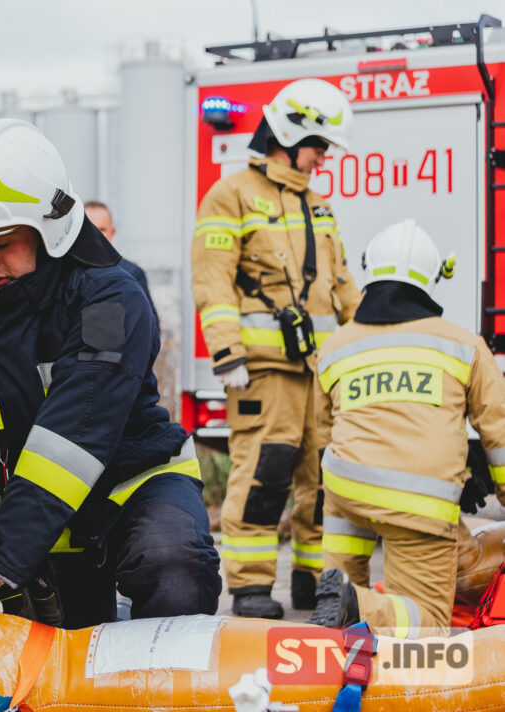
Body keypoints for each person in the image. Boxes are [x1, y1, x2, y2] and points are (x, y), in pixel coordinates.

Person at [0, 119, 220, 629]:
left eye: (2, 243)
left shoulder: (110, 302)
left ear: (49, 230)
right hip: (30, 509)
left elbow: (75, 435)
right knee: (55, 645)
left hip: (132, 485)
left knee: (172, 562)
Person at [190, 78, 363, 618]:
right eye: (318, 146)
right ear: (288, 136)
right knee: (264, 475)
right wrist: (228, 353)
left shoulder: (319, 205)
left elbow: (342, 285)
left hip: (320, 374)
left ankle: (313, 582)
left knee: (322, 480)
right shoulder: (232, 194)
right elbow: (212, 279)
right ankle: (250, 588)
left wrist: (369, 342)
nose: (322, 158)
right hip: (262, 372)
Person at [307, 219, 505, 637]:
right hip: (418, 500)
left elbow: (322, 430)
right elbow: (499, 433)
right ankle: (356, 604)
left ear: (369, 272)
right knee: (426, 624)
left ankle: (342, 602)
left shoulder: (335, 346)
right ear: (432, 277)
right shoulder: (463, 345)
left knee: (337, 610)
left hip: (344, 491)